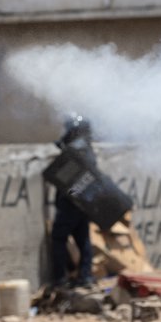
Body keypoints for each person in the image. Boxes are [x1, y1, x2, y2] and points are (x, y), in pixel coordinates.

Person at [50, 115, 95, 288]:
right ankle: (85, 277)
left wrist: (69, 196)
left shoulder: (78, 150)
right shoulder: (86, 149)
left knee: (59, 237)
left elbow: (68, 175)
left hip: (72, 201)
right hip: (83, 202)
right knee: (82, 239)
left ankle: (61, 279)